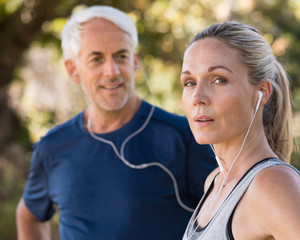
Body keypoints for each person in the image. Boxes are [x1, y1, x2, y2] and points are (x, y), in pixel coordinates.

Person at [16, 5, 215, 240]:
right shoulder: (52, 147)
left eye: (121, 56)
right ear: (73, 70)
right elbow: (28, 215)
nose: (111, 71)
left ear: (134, 60)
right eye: (96, 59)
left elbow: (231, 213)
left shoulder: (185, 136)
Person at [180, 21, 300, 240]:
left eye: (219, 79)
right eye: (190, 82)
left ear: (262, 91)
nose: (198, 98)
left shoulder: (269, 183)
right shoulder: (214, 181)